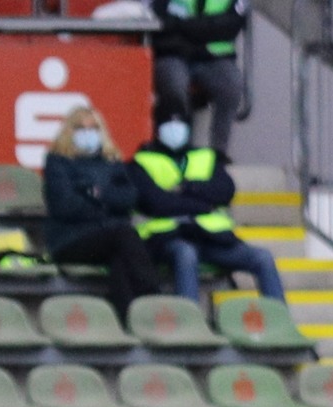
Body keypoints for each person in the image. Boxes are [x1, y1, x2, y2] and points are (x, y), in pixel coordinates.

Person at [130, 110, 286, 302]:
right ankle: (191, 323)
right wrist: (203, 202)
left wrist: (186, 187)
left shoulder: (206, 157)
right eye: (167, 125)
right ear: (157, 130)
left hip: (211, 238)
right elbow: (156, 203)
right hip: (168, 238)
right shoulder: (141, 162)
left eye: (179, 125)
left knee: (263, 258)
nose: (174, 130)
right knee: (186, 254)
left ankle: (280, 321)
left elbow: (226, 191)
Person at [41, 107, 162, 321]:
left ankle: (129, 319)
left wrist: (96, 194)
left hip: (109, 239)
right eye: (81, 128)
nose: (88, 133)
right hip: (70, 240)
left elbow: (129, 198)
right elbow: (66, 206)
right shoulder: (57, 162)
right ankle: (154, 296)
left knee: (120, 259)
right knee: (123, 234)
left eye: (94, 128)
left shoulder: (111, 160)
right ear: (69, 131)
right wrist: (108, 205)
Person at [151, 0, 249, 157]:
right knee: (173, 83)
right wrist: (205, 27)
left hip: (214, 58)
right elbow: (160, 22)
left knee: (232, 85)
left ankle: (219, 153)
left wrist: (183, 25)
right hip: (174, 53)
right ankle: (174, 147)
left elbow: (230, 26)